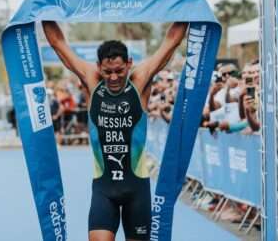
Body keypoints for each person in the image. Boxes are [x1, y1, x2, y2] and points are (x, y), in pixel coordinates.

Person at [42, 21, 187, 241]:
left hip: (136, 189)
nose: (113, 77)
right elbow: (58, 43)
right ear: (99, 66)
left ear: (129, 64)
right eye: (108, 71)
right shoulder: (92, 81)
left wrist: (186, 5)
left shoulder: (140, 80)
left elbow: (171, 41)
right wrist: (44, 9)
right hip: (104, 189)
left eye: (119, 71)